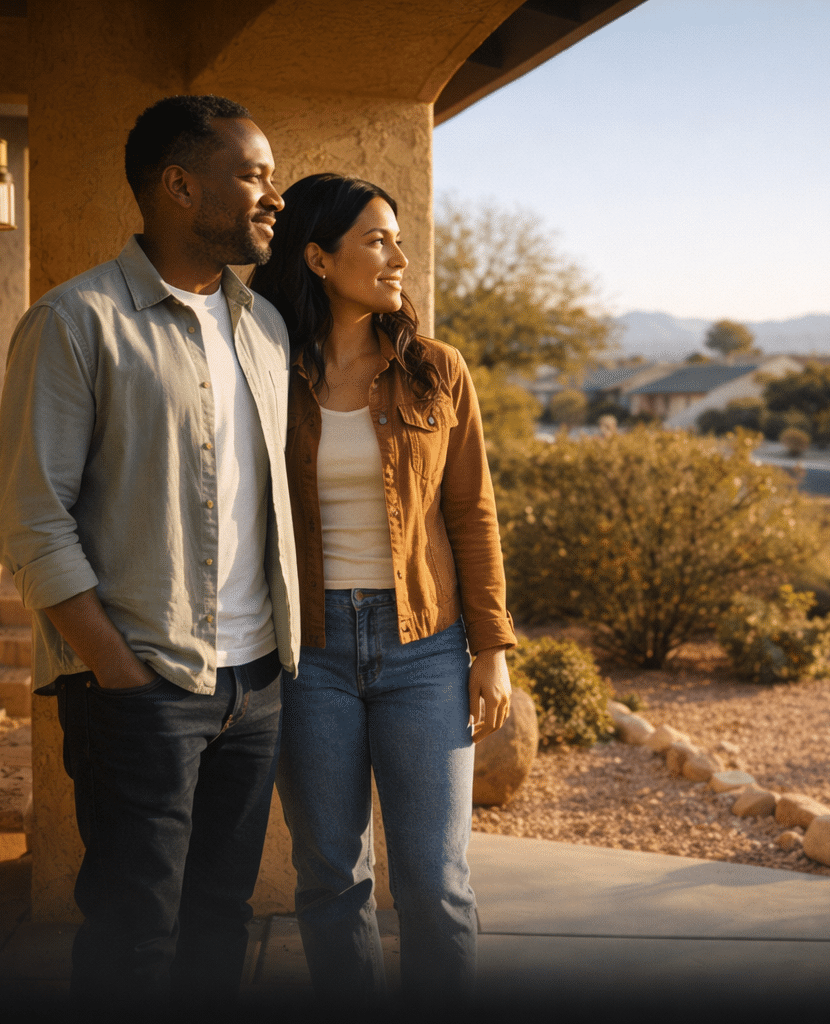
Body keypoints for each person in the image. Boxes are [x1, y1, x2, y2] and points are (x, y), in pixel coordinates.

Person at [0, 95, 299, 1003]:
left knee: (220, 921)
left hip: (256, 685)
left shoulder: (265, 327)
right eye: (251, 175)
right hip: (144, 690)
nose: (271, 195)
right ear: (179, 185)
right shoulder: (76, 321)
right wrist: (119, 673)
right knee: (134, 940)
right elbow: (31, 520)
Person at [249, 173, 515, 1001]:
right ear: (319, 257)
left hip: (425, 650)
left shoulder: (437, 371)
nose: (400, 257)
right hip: (309, 651)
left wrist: (493, 648)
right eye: (377, 240)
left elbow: (472, 513)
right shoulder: (264, 365)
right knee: (331, 877)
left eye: (398, 239)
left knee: (435, 882)